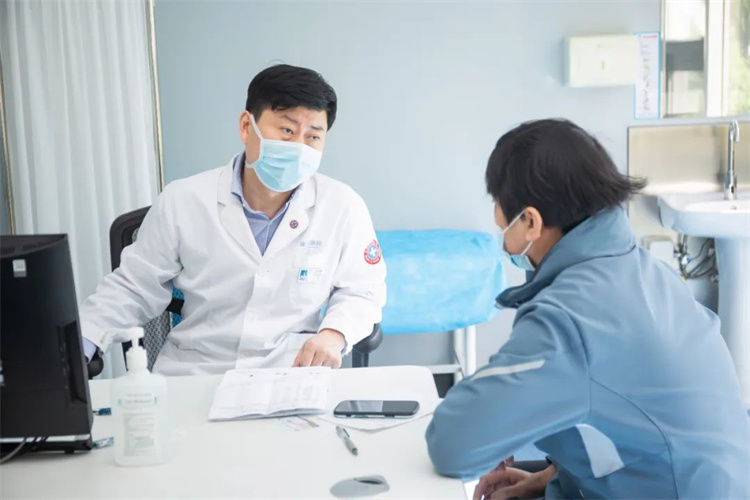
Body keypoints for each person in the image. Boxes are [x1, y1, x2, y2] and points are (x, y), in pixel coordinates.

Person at [426, 119, 749, 499]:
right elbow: (627, 417)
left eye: (502, 222)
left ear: (531, 222)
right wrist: (548, 478)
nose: (504, 241)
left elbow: (452, 443)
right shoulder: (645, 272)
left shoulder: (570, 318)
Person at [80, 64, 386, 375]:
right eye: (287, 130)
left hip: (290, 372)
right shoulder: (183, 200)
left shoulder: (342, 206)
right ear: (246, 126)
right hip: (196, 372)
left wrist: (334, 334)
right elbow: (134, 287)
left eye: (313, 137)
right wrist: (81, 341)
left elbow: (363, 290)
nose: (298, 147)